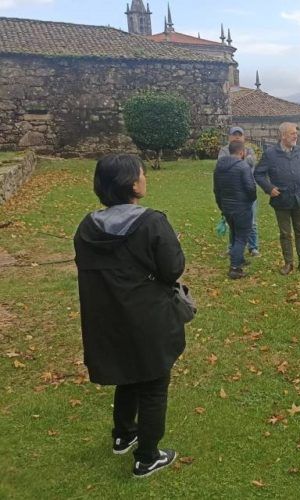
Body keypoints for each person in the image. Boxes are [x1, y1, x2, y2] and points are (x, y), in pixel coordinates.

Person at [73, 154, 185, 478]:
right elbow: (172, 269)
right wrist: (174, 246)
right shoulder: (152, 223)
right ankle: (147, 456)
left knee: (127, 374)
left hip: (107, 318)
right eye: (142, 174)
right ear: (132, 184)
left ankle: (123, 434)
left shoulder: (87, 228)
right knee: (152, 382)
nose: (145, 178)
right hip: (147, 318)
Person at [255, 122, 300, 275]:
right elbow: (259, 174)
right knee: (285, 233)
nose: (296, 136)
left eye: (296, 133)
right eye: (292, 133)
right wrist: (269, 188)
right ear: (283, 136)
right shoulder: (270, 154)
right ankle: (288, 263)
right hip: (281, 200)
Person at [214, 141, 257, 279]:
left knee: (234, 233)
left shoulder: (219, 167)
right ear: (241, 152)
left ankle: (239, 259)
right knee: (241, 237)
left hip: (227, 207)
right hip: (242, 207)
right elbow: (251, 188)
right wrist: (250, 201)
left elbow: (216, 190)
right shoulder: (243, 166)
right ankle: (235, 268)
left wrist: (221, 205)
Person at [218, 126, 260, 257]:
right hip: (231, 192)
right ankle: (232, 247)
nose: (237, 137)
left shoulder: (249, 150)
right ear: (229, 137)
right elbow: (221, 165)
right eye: (234, 134)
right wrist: (241, 160)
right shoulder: (224, 150)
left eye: (239, 135)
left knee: (251, 221)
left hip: (247, 190)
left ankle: (253, 247)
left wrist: (236, 161)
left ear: (244, 137)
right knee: (233, 222)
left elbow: (252, 163)